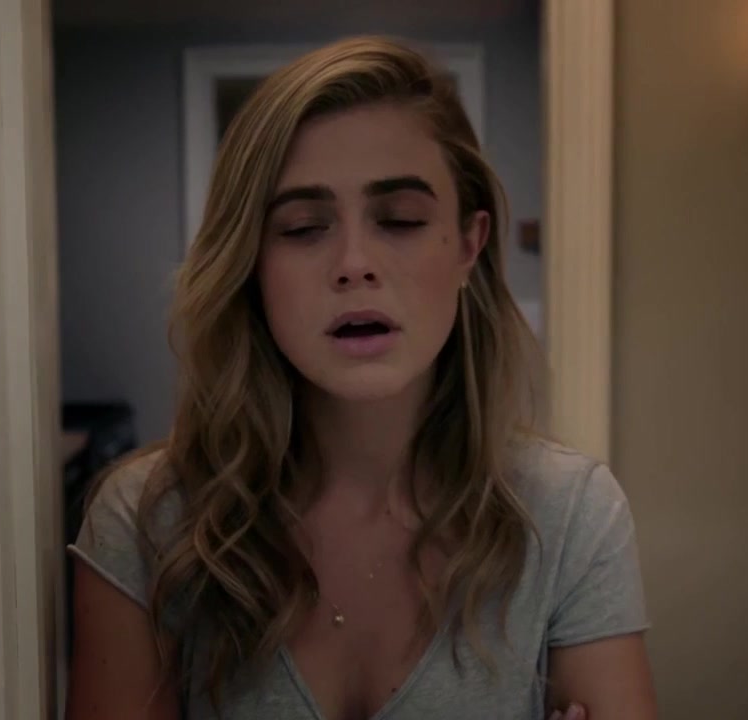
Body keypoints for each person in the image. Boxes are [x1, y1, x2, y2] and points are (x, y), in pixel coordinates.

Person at [65, 35, 657, 720]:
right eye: (302, 227)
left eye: (399, 220)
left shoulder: (570, 517)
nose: (354, 264)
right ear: (251, 263)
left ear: (469, 245)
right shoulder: (147, 524)